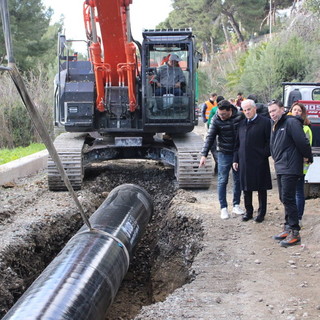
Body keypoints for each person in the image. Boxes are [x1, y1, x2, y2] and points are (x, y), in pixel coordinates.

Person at [268, 100, 313, 247]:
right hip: (280, 165)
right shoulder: (276, 125)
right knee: (283, 197)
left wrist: (308, 156)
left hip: (291, 166)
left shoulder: (291, 122)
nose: (272, 114)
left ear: (282, 109)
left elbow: (302, 142)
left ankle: (295, 232)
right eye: (270, 112)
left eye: (274, 110)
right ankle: (287, 227)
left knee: (288, 197)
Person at [199, 100, 245, 219]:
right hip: (224, 152)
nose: (221, 117)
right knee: (222, 180)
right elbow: (210, 137)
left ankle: (236, 204)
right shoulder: (216, 119)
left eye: (224, 114)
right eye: (220, 114)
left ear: (230, 111)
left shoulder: (240, 116)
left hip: (238, 153)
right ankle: (223, 208)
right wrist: (204, 154)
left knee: (238, 179)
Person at [233, 99, 272, 223]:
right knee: (246, 187)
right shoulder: (241, 124)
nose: (247, 112)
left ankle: (261, 213)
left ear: (254, 109)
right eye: (244, 110)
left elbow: (270, 142)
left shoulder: (265, 122)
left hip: (259, 161)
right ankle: (248, 211)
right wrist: (236, 159)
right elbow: (237, 143)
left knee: (261, 188)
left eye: (249, 109)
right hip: (244, 160)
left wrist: (263, 154)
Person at [288, 102, 313, 225]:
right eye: (294, 110)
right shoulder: (289, 125)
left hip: (300, 165)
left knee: (298, 191)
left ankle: (298, 217)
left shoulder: (306, 128)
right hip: (291, 164)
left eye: (299, 110)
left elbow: (306, 146)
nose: (296, 112)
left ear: (303, 113)